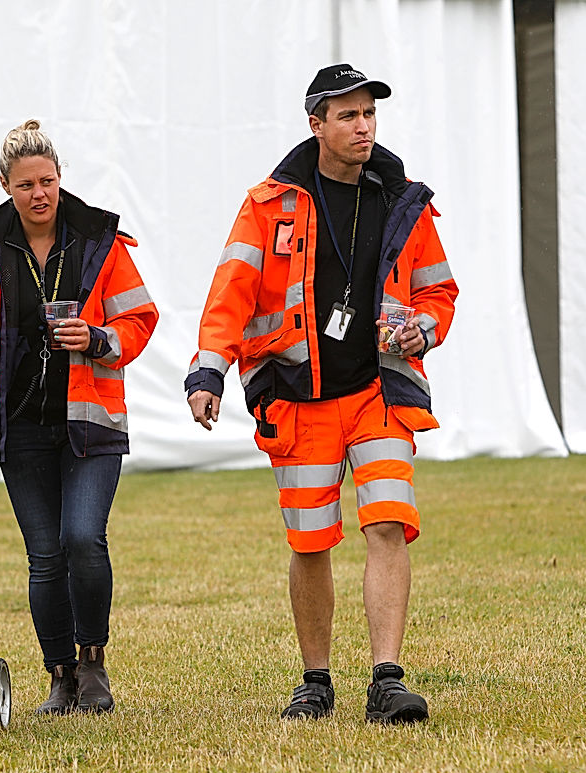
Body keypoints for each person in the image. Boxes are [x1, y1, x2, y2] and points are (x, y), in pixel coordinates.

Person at [185, 65, 458, 724]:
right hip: (298, 399)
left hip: (379, 393)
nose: (363, 126)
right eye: (348, 115)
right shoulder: (268, 205)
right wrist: (208, 371)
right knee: (310, 542)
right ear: (317, 125)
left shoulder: (403, 200)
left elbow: (438, 291)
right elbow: (231, 294)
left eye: (369, 114)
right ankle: (316, 682)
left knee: (389, 522)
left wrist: (423, 327)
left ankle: (388, 680)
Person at [0, 120, 158, 715]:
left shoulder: (100, 243)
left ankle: (93, 665)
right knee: (44, 556)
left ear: (60, 179)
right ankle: (60, 676)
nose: (39, 194)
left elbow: (140, 319)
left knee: (82, 539)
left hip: (90, 423)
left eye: (48, 181)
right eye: (26, 185)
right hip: (19, 429)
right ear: (5, 187)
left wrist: (96, 339)